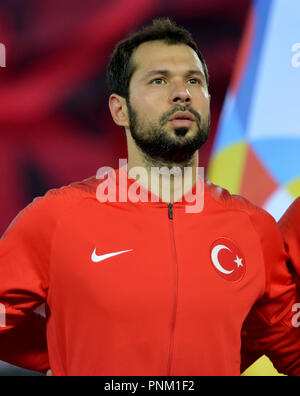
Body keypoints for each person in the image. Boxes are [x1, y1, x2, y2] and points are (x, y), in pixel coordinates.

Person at [1, 18, 300, 376]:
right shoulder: (56, 218)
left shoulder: (255, 229)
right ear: (119, 109)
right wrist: (61, 353)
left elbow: (290, 348)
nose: (182, 92)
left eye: (194, 80)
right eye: (159, 81)